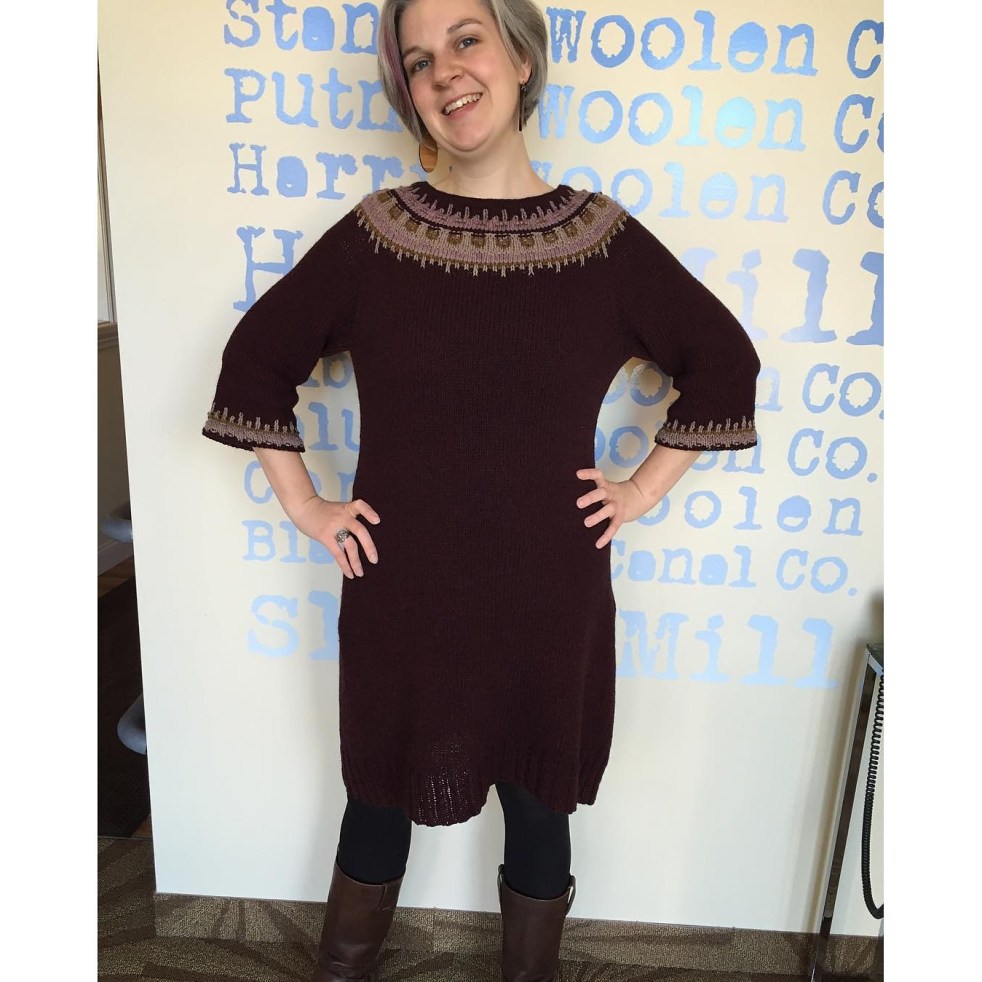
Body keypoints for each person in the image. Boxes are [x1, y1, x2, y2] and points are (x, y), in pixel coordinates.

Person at [202, 0, 761, 978]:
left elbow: (724, 364)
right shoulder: (375, 237)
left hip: (547, 594)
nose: (445, 73)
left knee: (539, 808)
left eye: (466, 39)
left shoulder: (602, 242)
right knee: (377, 800)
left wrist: (640, 490)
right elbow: (254, 364)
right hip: (404, 591)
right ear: (407, 93)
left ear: (520, 54)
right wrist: (305, 504)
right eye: (419, 61)